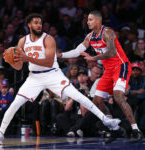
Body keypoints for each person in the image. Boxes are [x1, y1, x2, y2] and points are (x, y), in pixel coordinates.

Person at [0, 13, 120, 145]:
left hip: (52, 74)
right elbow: (19, 67)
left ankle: (105, 119)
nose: (39, 25)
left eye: (41, 23)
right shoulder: (23, 41)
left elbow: (49, 62)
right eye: (36, 22)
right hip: (34, 77)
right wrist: (11, 61)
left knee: (77, 95)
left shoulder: (48, 39)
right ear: (29, 25)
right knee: (15, 104)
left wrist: (27, 58)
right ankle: (0, 134)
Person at [57, 11, 143, 143]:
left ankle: (136, 130)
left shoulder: (108, 32)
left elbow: (112, 52)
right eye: (87, 20)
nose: (87, 22)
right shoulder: (89, 37)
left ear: (98, 21)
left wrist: (94, 57)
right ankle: (114, 128)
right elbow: (76, 51)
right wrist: (61, 55)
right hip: (108, 70)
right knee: (97, 101)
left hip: (121, 66)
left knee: (118, 95)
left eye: (90, 20)